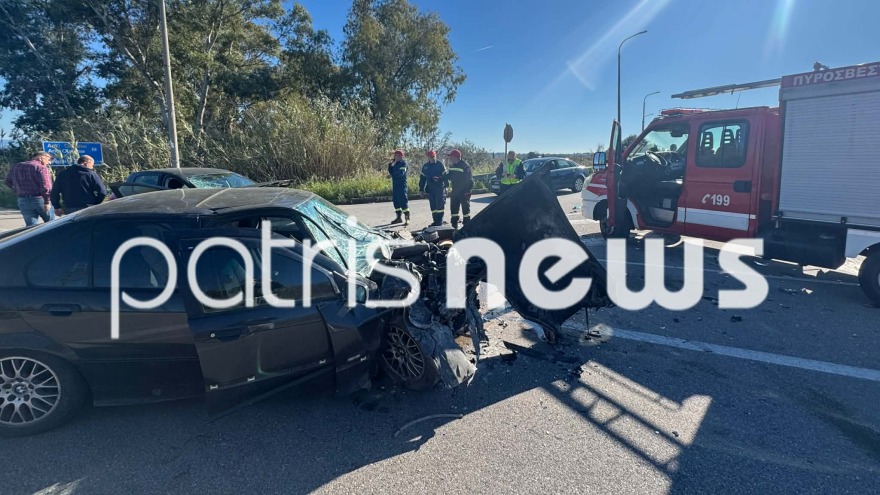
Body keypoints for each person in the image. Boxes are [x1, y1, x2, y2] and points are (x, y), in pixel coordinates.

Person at [4, 151, 55, 226]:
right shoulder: (41, 168)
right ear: (41, 158)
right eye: (49, 159)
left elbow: (8, 182)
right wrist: (47, 201)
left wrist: (17, 190)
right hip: (40, 199)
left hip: (23, 200)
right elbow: (46, 186)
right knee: (51, 225)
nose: (49, 162)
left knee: (30, 227)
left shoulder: (16, 166)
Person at [445, 149, 473, 229]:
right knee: (454, 210)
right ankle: (454, 226)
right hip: (455, 191)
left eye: (451, 157)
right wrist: (440, 178)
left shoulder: (465, 166)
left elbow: (470, 180)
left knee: (466, 210)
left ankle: (467, 226)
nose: (450, 158)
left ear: (456, 157)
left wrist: (467, 191)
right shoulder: (452, 166)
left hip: (464, 192)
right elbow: (449, 175)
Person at [419, 150, 447, 227]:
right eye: (431, 157)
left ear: (435, 156)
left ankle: (439, 222)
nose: (432, 158)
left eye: (433, 156)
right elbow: (422, 179)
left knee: (440, 205)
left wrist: (446, 187)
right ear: (428, 157)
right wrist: (421, 189)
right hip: (430, 189)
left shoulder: (440, 165)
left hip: (439, 188)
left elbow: (445, 176)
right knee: (433, 206)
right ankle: (435, 221)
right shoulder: (425, 167)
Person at [387, 150, 410, 225]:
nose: (396, 157)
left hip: (402, 186)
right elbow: (391, 171)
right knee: (396, 202)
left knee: (403, 202)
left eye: (397, 155)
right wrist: (390, 165)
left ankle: (407, 219)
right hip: (395, 186)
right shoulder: (394, 164)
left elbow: (401, 173)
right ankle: (398, 218)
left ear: (401, 156)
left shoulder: (403, 163)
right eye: (395, 155)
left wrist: (392, 175)